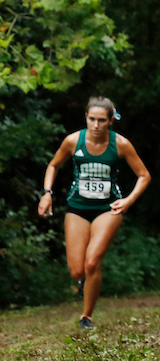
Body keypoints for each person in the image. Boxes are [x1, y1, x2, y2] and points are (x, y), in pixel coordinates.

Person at [37, 97, 152, 329]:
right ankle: (83, 282)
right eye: (92, 119)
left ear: (110, 121)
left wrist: (128, 200)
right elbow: (53, 165)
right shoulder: (73, 141)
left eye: (101, 120)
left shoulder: (120, 144)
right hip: (77, 208)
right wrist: (47, 192)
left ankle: (86, 316)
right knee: (77, 270)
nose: (96, 125)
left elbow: (144, 175)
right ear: (86, 118)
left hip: (108, 209)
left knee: (92, 263)